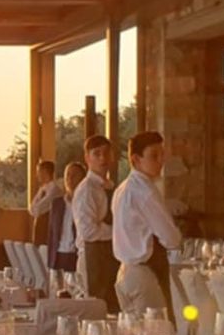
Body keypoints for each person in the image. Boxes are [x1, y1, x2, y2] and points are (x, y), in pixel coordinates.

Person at [113, 131, 182, 315]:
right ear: (135, 160)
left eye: (162, 155)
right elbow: (171, 238)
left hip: (123, 275)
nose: (161, 161)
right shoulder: (144, 192)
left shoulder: (122, 189)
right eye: (154, 156)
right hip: (143, 276)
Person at [72, 135, 118, 312]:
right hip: (93, 259)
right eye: (96, 154)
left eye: (106, 153)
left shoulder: (109, 186)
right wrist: (118, 232)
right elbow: (88, 231)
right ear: (87, 158)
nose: (102, 158)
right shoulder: (87, 190)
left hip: (109, 257)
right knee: (97, 312)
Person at [50, 160, 85, 276]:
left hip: (76, 255)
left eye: (74, 175)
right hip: (59, 255)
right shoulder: (57, 203)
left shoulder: (84, 203)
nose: (70, 179)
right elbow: (51, 233)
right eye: (67, 175)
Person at [27, 159, 60, 253]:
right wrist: (35, 208)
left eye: (39, 172)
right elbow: (31, 208)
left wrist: (35, 208)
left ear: (45, 172)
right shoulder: (42, 189)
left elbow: (38, 209)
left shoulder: (54, 190)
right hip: (39, 224)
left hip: (47, 226)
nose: (37, 175)